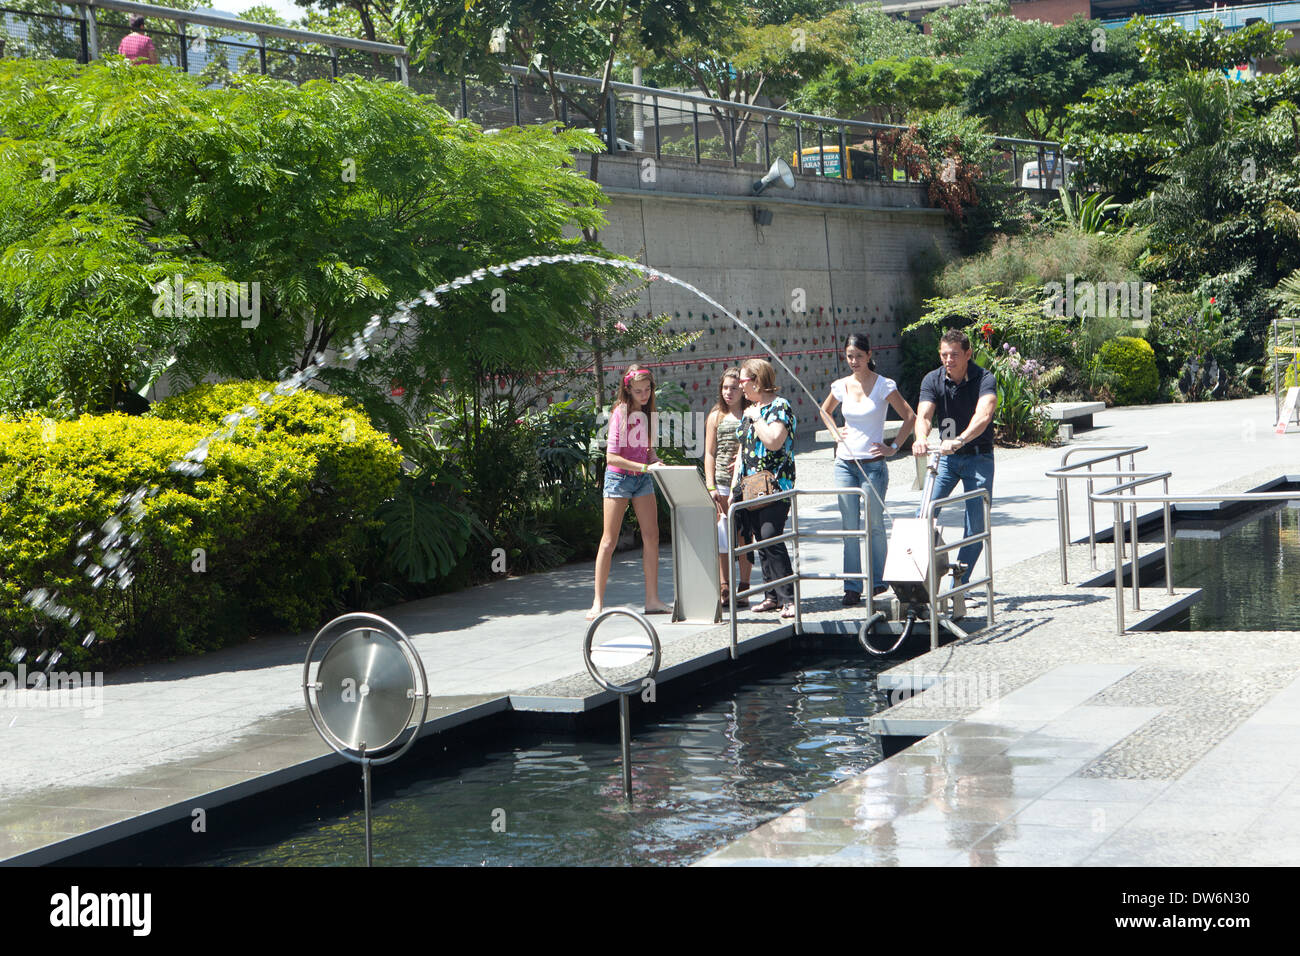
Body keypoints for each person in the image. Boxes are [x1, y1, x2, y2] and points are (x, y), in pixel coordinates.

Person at [818, 334, 916, 606]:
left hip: (873, 465)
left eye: (858, 356)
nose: (853, 361)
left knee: (874, 524)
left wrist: (894, 446)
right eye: (849, 356)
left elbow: (910, 416)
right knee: (849, 526)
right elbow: (825, 411)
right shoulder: (841, 386)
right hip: (845, 463)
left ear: (869, 355)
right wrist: (836, 433)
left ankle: (879, 580)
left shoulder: (884, 385)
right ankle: (851, 585)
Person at [912, 328, 998, 583]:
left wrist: (960, 440)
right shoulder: (932, 379)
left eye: (954, 355)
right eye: (944, 355)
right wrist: (920, 438)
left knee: (976, 527)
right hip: (946, 459)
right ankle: (920, 579)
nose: (949, 360)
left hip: (978, 457)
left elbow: (983, 415)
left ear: (968, 354)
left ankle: (957, 585)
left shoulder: (985, 378)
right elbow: (924, 416)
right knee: (924, 514)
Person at [589, 363, 671, 621]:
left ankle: (652, 599)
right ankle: (597, 602)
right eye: (639, 391)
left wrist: (656, 461)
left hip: (641, 479)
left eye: (647, 390)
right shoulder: (620, 414)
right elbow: (612, 457)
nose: (644, 395)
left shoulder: (649, 413)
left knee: (652, 537)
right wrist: (645, 466)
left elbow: (647, 450)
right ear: (628, 390)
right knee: (608, 540)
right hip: (619, 478)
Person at [730, 358, 797, 619]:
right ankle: (772, 595)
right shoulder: (752, 409)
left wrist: (757, 417)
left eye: (743, 382)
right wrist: (736, 484)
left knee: (771, 536)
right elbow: (743, 449)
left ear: (757, 381)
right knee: (760, 539)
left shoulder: (779, 407)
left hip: (775, 485)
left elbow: (773, 441)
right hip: (749, 487)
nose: (740, 388)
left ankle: (789, 599)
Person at [704, 368, 753, 609]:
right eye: (725, 388)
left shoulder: (750, 414)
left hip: (744, 485)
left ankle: (744, 585)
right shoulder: (715, 416)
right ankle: (725, 585)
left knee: (743, 536)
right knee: (722, 537)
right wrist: (710, 484)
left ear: (742, 389)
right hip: (721, 484)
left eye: (733, 387)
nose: (728, 392)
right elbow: (710, 453)